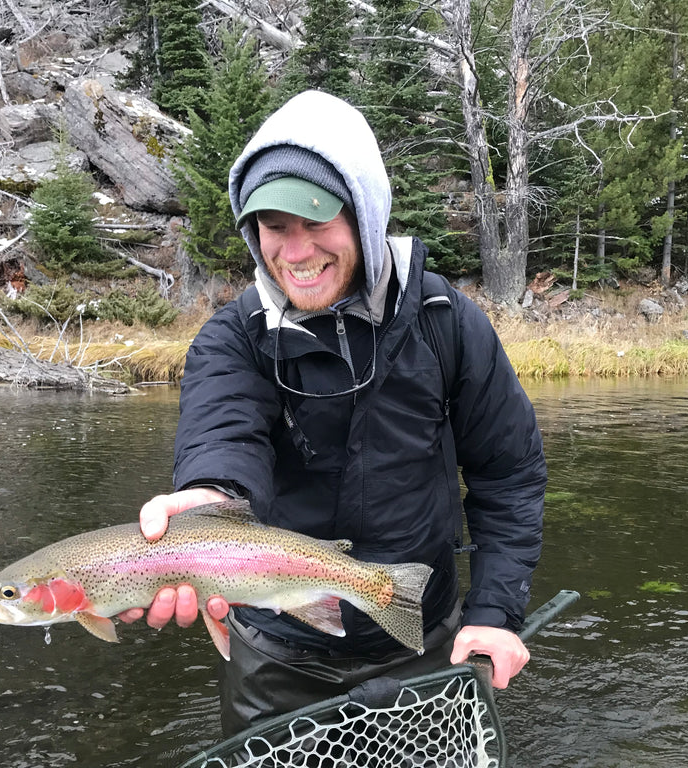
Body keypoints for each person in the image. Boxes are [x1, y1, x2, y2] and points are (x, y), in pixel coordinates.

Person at [121, 89, 546, 736]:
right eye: (274, 227)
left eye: (317, 220)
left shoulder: (445, 324)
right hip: (276, 653)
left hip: (423, 641)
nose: (295, 252)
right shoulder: (232, 339)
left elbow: (508, 475)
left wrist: (493, 612)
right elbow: (225, 435)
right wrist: (208, 498)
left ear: (365, 215)